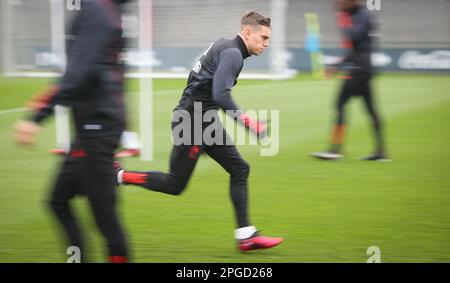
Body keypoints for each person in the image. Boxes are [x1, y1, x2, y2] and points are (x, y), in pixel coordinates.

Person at [116, 11, 283, 252]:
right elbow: (220, 94)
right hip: (193, 123)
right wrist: (249, 122)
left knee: (240, 169)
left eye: (268, 39)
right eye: (264, 38)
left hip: (203, 120)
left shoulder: (225, 45)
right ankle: (120, 175)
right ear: (248, 32)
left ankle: (246, 236)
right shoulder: (233, 53)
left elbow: (202, 86)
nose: (266, 44)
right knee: (175, 184)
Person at [14, 0, 130, 263]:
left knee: (106, 222)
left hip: (97, 131)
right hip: (93, 129)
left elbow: (79, 74)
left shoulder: (97, 10)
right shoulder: (109, 11)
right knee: (58, 200)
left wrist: (37, 116)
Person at [311, 0, 389, 161]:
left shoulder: (363, 16)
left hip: (359, 69)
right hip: (362, 68)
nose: (338, 4)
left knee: (340, 103)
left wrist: (342, 17)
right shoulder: (359, 14)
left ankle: (335, 150)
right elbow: (356, 48)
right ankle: (381, 152)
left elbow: (354, 36)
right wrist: (336, 65)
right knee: (371, 110)